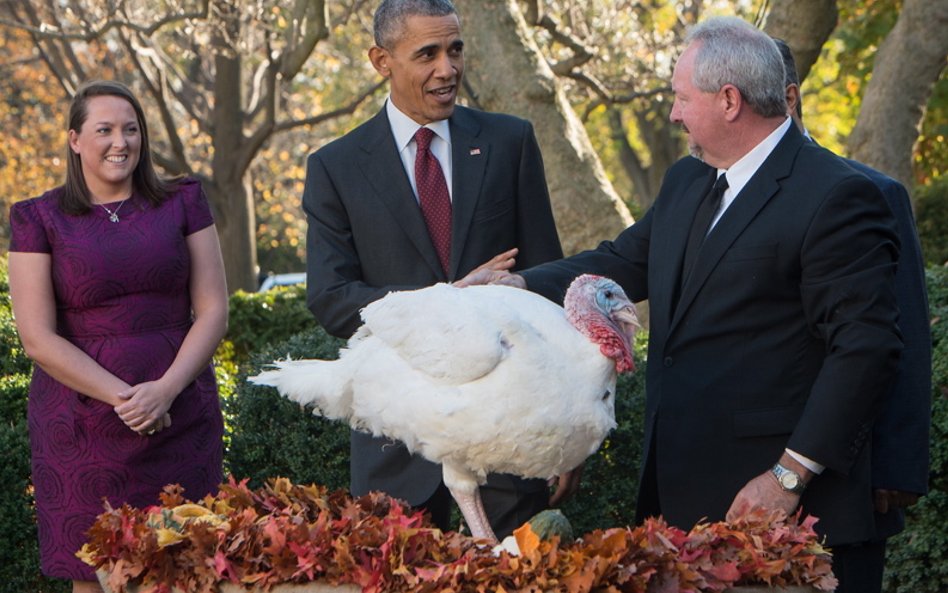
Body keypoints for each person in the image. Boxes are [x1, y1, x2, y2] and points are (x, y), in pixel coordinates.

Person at [459, 16, 902, 593]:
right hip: (682, 500)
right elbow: (621, 261)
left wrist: (788, 477)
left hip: (782, 507)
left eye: (679, 97)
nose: (672, 113)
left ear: (728, 100)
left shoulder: (837, 195)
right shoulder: (687, 183)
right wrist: (514, 287)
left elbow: (866, 348)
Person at [302, 0, 564, 539]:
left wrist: (560, 430)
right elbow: (332, 297)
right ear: (382, 60)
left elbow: (547, 289)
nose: (447, 68)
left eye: (455, 49)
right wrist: (448, 296)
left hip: (508, 447)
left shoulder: (509, 143)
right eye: (427, 54)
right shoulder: (335, 167)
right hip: (395, 453)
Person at [8, 80, 228, 593]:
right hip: (81, 425)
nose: (120, 142)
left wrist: (165, 390)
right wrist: (127, 399)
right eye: (103, 129)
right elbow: (37, 338)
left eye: (131, 129)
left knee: (188, 568)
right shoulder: (37, 218)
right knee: (94, 574)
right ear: (74, 140)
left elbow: (214, 310)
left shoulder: (182, 201)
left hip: (181, 411)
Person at [775, 36, 932, 580]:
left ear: (787, 98)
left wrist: (896, 465)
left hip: (853, 477)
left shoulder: (872, 192)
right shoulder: (707, 198)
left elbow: (903, 332)